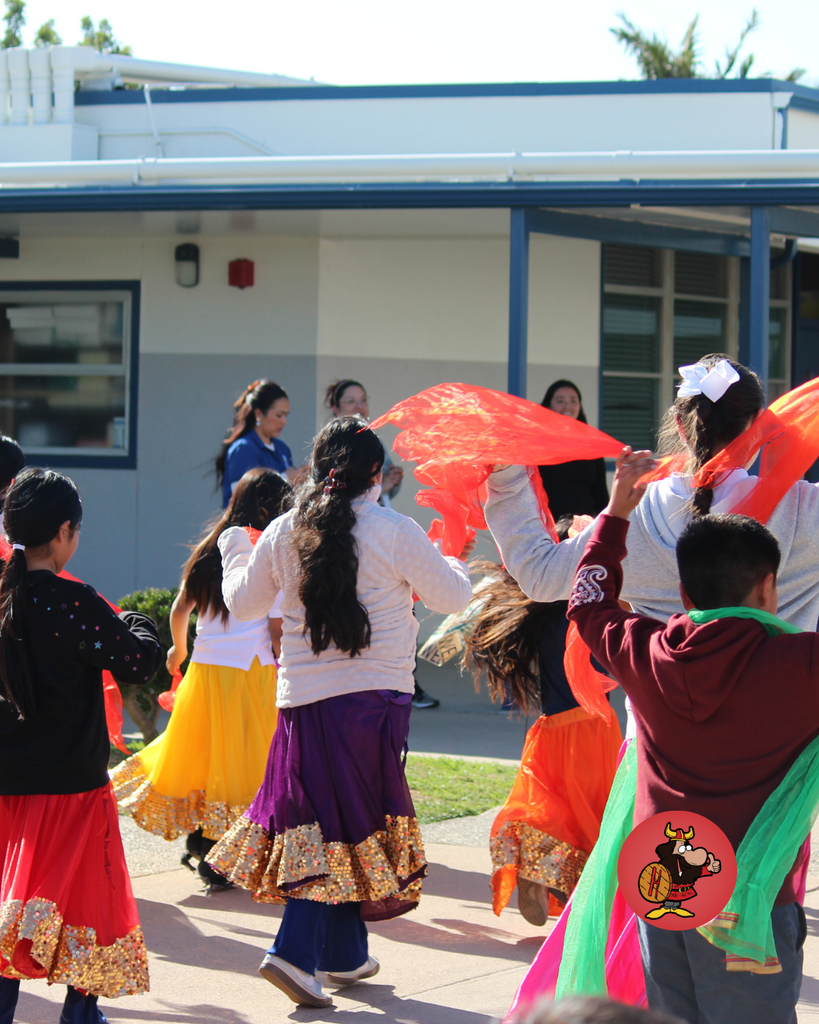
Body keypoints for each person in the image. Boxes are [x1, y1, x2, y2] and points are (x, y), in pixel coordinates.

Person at [484, 354, 819, 1018]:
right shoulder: (803, 515)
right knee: (750, 927)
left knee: (664, 935)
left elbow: (556, 584)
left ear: (676, 422)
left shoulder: (642, 555)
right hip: (770, 766)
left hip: (659, 755)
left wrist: (506, 475)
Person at [207, 416, 473, 1009]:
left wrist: (231, 545)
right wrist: (452, 553)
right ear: (374, 474)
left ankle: (344, 952)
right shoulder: (393, 527)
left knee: (333, 818)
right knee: (341, 822)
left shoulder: (282, 529)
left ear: (317, 470)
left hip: (303, 702)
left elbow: (243, 602)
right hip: (372, 702)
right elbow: (454, 595)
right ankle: (295, 953)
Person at [566, 448, 819, 1024]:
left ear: (685, 595)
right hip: (750, 899)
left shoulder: (647, 653)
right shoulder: (802, 665)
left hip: (663, 886)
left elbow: (586, 603)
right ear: (768, 587)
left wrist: (615, 514)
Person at [0, 468, 163, 1024]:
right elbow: (138, 660)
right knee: (86, 901)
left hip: (8, 786)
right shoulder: (73, 602)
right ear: (66, 531)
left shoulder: (5, 599)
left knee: (10, 903)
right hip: (72, 784)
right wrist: (137, 621)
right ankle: (80, 1012)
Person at [110, 468, 292, 892]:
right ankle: (224, 853)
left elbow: (180, 607)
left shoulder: (212, 550)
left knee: (208, 758)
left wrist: (179, 650)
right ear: (268, 509)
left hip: (207, 671)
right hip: (253, 672)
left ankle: (206, 845)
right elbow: (277, 627)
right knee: (252, 765)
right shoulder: (265, 548)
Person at [465, 515, 621, 927]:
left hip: (550, 730)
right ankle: (572, 893)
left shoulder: (544, 611)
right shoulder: (590, 613)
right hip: (594, 727)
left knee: (550, 805)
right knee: (590, 814)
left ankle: (541, 872)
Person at [325, 379, 440, 710]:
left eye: (363, 400)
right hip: (344, 541)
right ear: (335, 408)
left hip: (376, 537)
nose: (359, 407)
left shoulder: (373, 441)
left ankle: (403, 682)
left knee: (399, 612)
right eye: (350, 401)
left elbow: (375, 496)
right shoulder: (333, 444)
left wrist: (388, 484)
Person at [216, 379, 305, 506]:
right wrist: (285, 478)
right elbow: (243, 500)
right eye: (279, 415)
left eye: (286, 415)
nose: (284, 421)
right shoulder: (244, 449)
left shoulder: (282, 449)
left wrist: (301, 479)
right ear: (258, 413)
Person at [538, 381, 609, 521]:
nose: (567, 407)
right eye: (560, 401)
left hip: (581, 531)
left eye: (573, 401)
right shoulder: (537, 445)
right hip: (544, 528)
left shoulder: (592, 446)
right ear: (548, 406)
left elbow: (600, 495)